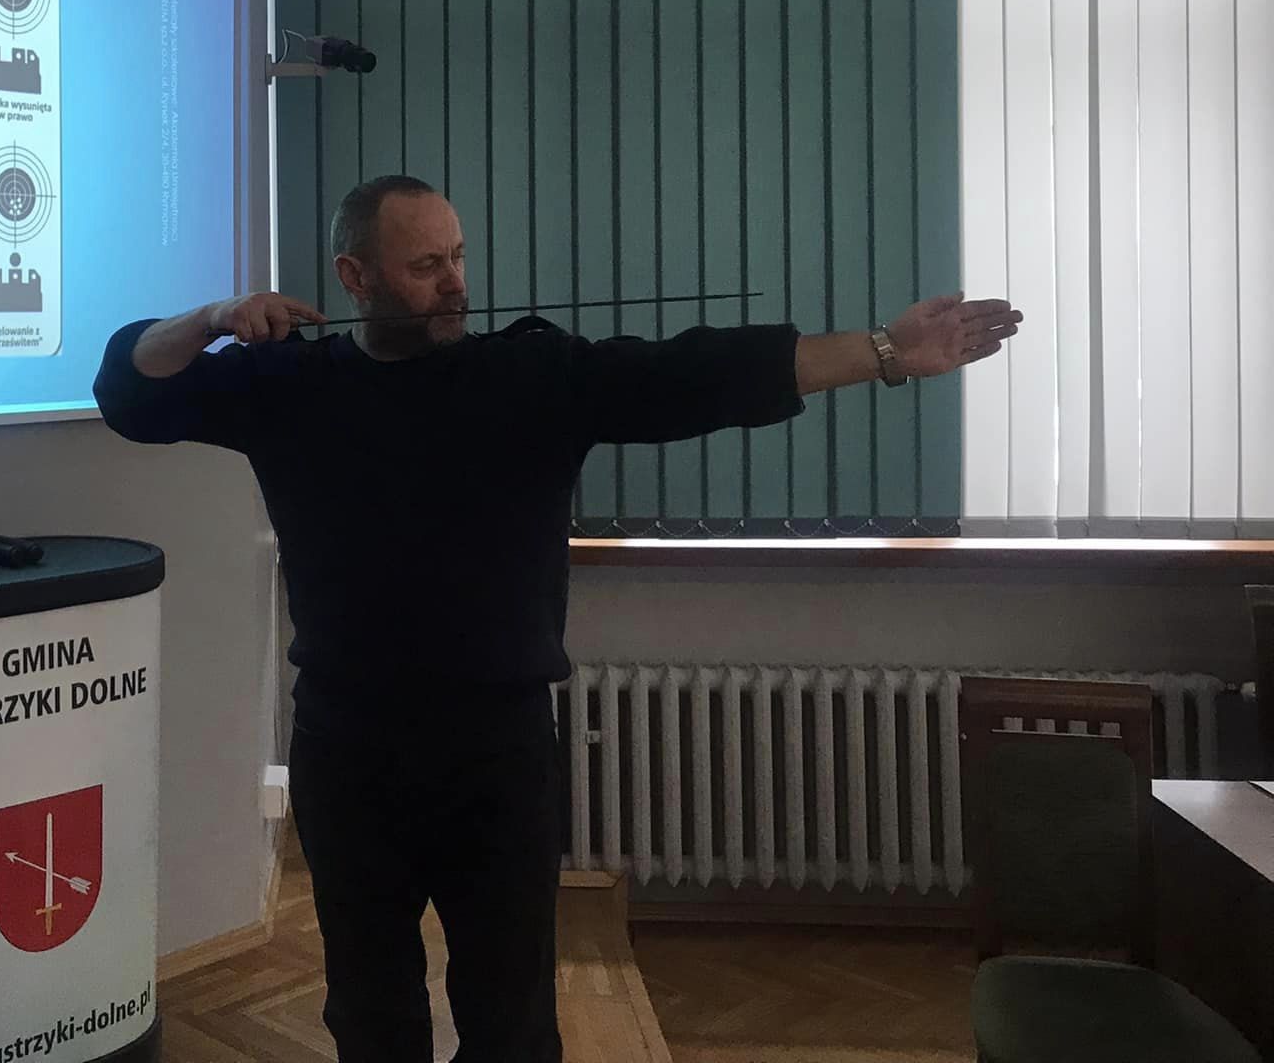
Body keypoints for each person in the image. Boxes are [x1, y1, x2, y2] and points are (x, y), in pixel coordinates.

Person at [92, 174, 1023, 1061]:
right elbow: (129, 393)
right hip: (348, 743)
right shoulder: (290, 384)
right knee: (370, 1008)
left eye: (459, 256)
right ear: (355, 276)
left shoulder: (530, 374)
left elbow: (695, 375)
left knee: (512, 1015)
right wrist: (213, 317)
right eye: (426, 266)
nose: (455, 283)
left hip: (496, 749)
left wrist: (886, 351)